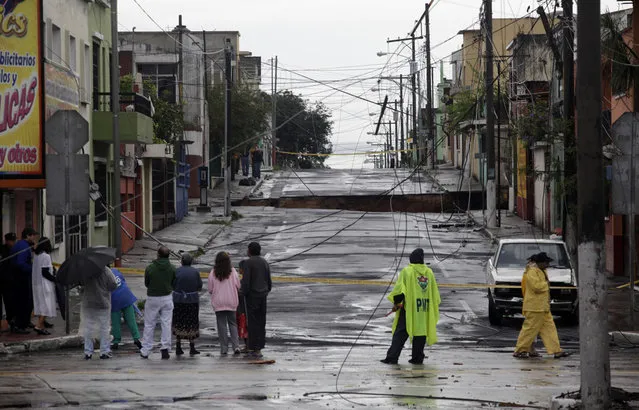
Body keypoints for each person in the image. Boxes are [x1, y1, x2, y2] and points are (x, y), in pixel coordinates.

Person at [381, 248, 441, 365]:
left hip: (408, 309)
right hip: (423, 309)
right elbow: (435, 295)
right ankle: (417, 358)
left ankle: (392, 357)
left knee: (401, 333)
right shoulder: (429, 273)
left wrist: (397, 305)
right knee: (420, 333)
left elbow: (399, 291)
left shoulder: (407, 271)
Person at [513, 252, 570, 359]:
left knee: (550, 329)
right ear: (540, 262)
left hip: (543, 307)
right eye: (546, 262)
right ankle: (520, 350)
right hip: (534, 307)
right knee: (530, 329)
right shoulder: (532, 272)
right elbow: (536, 287)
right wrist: (546, 284)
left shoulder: (541, 271)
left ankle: (556, 350)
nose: (548, 264)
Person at [140, 246, 176, 360]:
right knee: (166, 323)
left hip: (153, 298)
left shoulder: (150, 268)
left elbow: (147, 283)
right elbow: (174, 283)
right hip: (167, 297)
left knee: (149, 324)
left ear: (158, 255)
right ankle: (165, 347)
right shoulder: (172, 268)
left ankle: (146, 350)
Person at [240, 242, 271, 359]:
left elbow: (246, 282)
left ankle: (252, 348)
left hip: (252, 297)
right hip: (263, 296)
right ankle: (259, 348)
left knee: (252, 323)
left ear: (250, 251)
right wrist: (266, 291)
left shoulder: (248, 263)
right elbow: (269, 280)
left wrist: (242, 293)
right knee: (261, 322)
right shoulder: (264, 262)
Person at [208, 252, 241, 356]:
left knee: (221, 325)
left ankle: (224, 348)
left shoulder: (213, 272)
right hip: (231, 301)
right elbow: (238, 285)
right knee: (233, 324)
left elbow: (210, 289)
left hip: (219, 302)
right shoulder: (233, 272)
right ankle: (236, 346)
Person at [82, 265, 118, 360]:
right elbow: (113, 285)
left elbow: (81, 283)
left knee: (88, 328)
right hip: (103, 303)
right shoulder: (106, 270)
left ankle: (88, 352)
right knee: (104, 328)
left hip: (88, 303)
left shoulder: (86, 271)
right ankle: (104, 352)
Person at [172, 253, 202, 356]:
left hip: (178, 301)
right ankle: (192, 346)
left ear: (182, 261)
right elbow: (199, 286)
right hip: (192, 301)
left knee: (179, 322)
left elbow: (173, 284)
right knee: (192, 323)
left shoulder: (177, 271)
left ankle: (178, 346)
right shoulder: (195, 272)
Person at [9, 227, 38, 334]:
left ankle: (21, 322)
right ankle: (19, 325)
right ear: (28, 236)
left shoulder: (21, 244)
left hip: (16, 276)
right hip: (21, 277)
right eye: (33, 235)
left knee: (21, 301)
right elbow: (21, 263)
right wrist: (33, 270)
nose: (35, 237)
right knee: (25, 301)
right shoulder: (24, 247)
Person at [110, 267, 142, 351]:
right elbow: (123, 280)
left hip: (114, 300)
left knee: (115, 322)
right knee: (131, 320)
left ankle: (116, 341)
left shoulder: (102, 275)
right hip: (126, 296)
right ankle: (136, 338)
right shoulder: (116, 271)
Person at [31, 238, 56, 336]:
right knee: (46, 306)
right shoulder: (46, 256)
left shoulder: (36, 255)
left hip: (37, 284)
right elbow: (45, 272)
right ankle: (38, 325)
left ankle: (41, 326)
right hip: (44, 284)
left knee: (41, 306)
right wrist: (54, 279)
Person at [0, 232, 16, 332]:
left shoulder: (14, 250)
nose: (13, 242)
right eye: (11, 241)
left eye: (14, 241)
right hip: (2, 279)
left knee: (10, 301)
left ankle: (11, 320)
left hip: (10, 280)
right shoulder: (2, 249)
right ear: (7, 241)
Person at [237, 259, 249, 351]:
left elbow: (241, 292)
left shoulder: (243, 280)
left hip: (243, 308)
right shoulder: (248, 277)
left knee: (244, 326)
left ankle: (247, 345)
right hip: (248, 307)